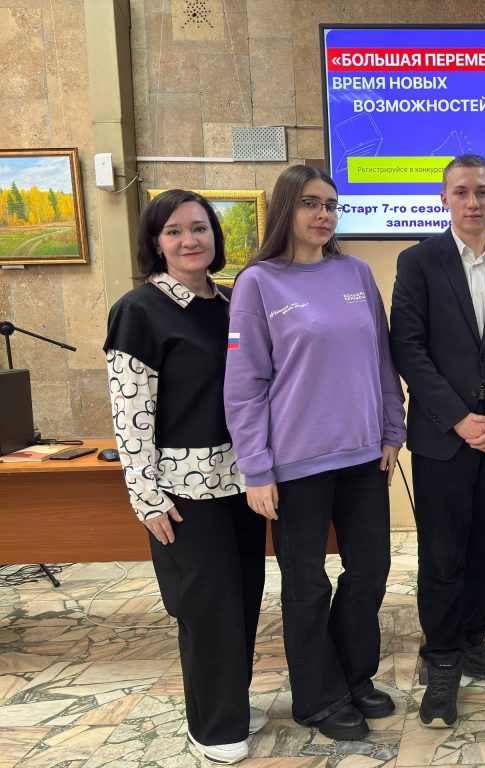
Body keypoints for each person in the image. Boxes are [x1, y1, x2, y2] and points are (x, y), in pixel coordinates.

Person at [224, 165, 406, 742]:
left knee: (370, 572)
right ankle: (317, 698)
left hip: (362, 456)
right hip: (295, 465)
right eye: (310, 203)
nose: (323, 214)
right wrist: (256, 467)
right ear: (286, 209)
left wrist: (392, 430)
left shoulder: (355, 273)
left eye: (330, 204)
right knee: (307, 584)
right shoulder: (258, 283)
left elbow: (381, 359)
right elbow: (244, 384)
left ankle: (354, 676)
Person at [103, 190, 266, 765]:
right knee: (207, 607)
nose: (189, 240)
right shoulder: (138, 310)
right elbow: (130, 411)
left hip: (242, 480)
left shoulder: (232, 302)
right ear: (155, 242)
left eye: (199, 228)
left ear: (215, 236)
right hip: (183, 490)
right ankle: (214, 727)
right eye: (173, 231)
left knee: (244, 597)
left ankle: (232, 702)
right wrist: (145, 497)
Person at [390, 153, 485, 728]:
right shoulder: (418, 261)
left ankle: (472, 640)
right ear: (444, 199)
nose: (472, 201)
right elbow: (408, 348)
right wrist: (456, 416)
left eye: (482, 191)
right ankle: (443, 659)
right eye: (461, 192)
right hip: (442, 437)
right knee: (443, 555)